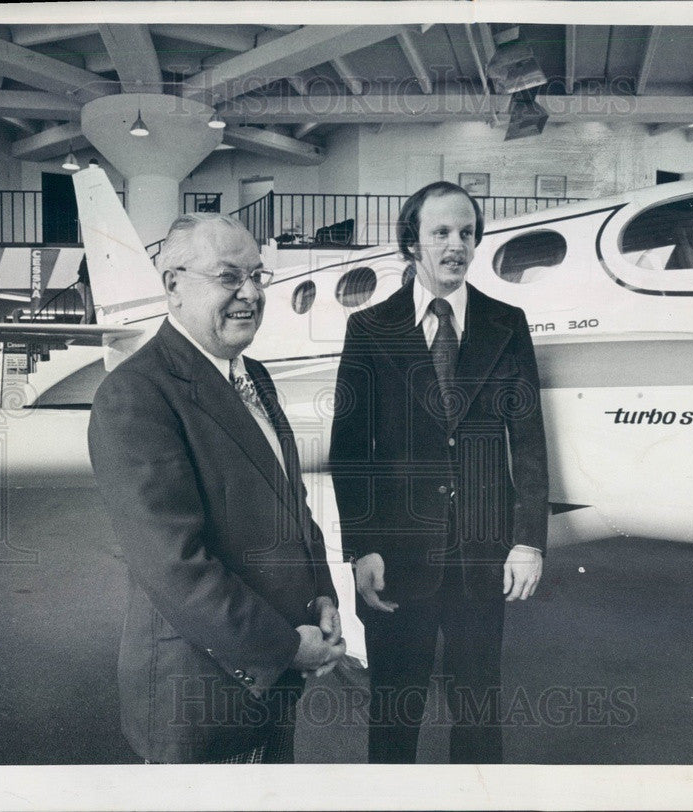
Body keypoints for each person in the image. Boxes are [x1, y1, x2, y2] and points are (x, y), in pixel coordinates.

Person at [88, 213, 344, 764]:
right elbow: (175, 565)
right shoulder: (135, 394)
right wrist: (287, 647)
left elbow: (290, 504)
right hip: (203, 697)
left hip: (271, 683)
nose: (250, 293)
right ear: (173, 285)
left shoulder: (252, 374)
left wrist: (323, 593)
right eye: (229, 277)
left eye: (258, 276)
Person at [329, 181, 550, 764]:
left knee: (478, 704)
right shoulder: (370, 330)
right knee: (395, 708)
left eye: (467, 233)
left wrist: (528, 539)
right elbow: (351, 451)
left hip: (482, 548)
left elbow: (527, 441)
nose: (457, 246)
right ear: (412, 242)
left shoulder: (507, 323)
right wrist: (362, 547)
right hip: (398, 553)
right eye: (441, 233)